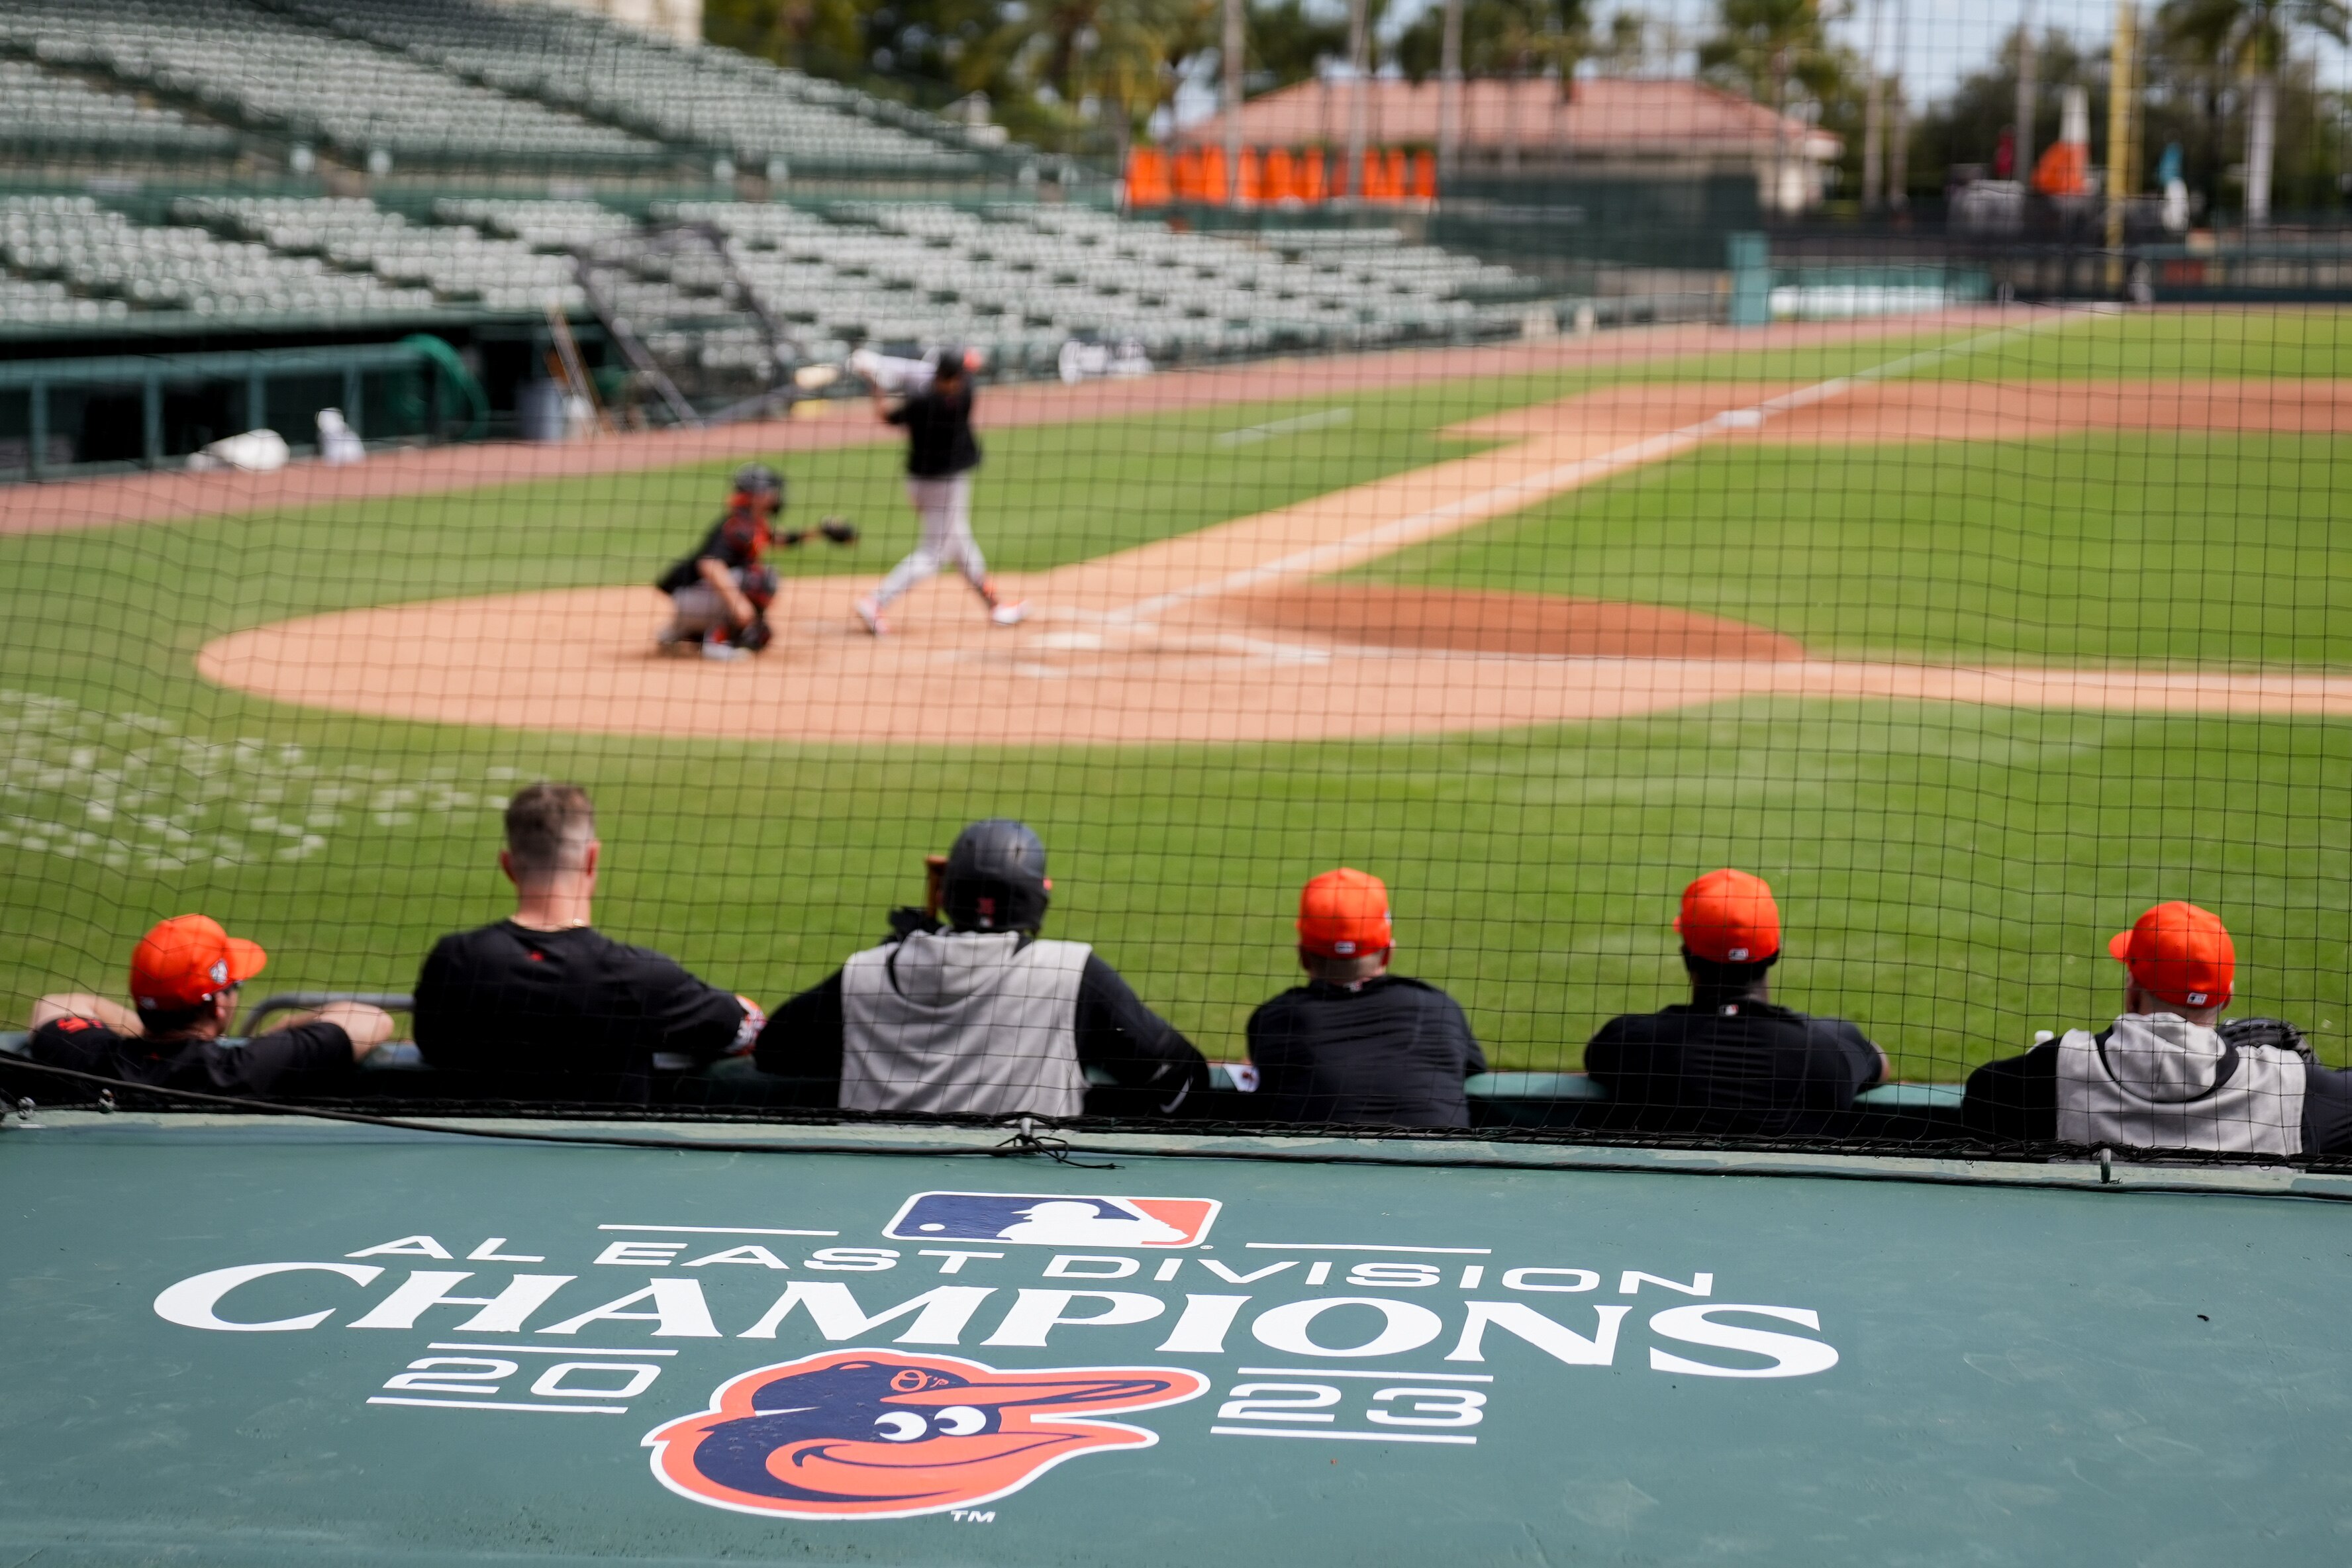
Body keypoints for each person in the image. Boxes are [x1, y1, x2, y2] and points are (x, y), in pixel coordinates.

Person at [755, 819, 1204, 1118]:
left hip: (870, 1192)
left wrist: (897, 963)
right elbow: (1182, 1075)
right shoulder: (1071, 972)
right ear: (1038, 897)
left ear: (948, 894)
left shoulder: (864, 974)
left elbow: (774, 1051)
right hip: (1018, 1191)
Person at [413, 783, 761, 1102]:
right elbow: (745, 1028)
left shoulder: (454, 960)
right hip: (607, 1165)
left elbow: (432, 1047)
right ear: (593, 858)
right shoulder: (641, 977)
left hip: (479, 1160)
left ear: (508, 865)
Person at [1963, 901, 2352, 1155]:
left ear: (2133, 993)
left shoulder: (2045, 1077)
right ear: (2226, 997)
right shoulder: (2295, 1088)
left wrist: (2038, 1064)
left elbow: (1980, 1093)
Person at [1584, 869, 1887, 1137]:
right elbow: (1880, 1065)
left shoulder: (1632, 1043)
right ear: (1775, 952)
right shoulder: (1832, 1045)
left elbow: (1595, 1058)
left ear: (1687, 955)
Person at [26, 914, 392, 1099]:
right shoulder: (245, 1069)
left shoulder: (91, 1061)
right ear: (218, 1006)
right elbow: (370, 1020)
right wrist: (275, 1035)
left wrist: (148, 1033)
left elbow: (58, 1003)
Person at [1244, 867, 1486, 1128]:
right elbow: (1472, 1069)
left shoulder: (1274, 1018)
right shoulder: (1439, 1007)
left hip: (1317, 1166)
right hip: (1439, 1167)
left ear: (1302, 955)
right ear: (1387, 953)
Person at [852, 349, 1026, 636]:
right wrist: (879, 368)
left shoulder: (920, 401)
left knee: (961, 545)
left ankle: (995, 605)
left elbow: (885, 414)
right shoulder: (964, 393)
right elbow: (969, 364)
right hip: (945, 486)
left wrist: (875, 381)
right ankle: (875, 601)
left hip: (918, 484)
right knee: (935, 554)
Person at [656, 463, 787, 661]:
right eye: (770, 490)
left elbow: (780, 539)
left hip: (693, 600)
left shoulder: (749, 522)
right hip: (692, 601)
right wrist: (739, 604)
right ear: (757, 494)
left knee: (760, 633)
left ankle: (682, 632)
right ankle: (716, 642)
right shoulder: (736, 526)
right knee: (760, 580)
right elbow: (709, 564)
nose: (775, 496)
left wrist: (820, 532)